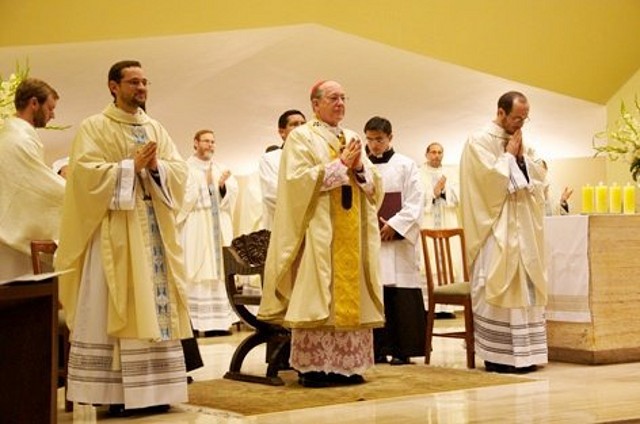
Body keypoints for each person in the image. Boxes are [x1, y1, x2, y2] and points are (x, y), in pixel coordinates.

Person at [54, 60, 193, 415]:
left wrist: (157, 168)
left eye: (145, 81)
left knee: (156, 304)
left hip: (153, 229)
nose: (142, 88)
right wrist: (130, 167)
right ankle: (117, 395)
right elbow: (84, 177)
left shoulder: (155, 127)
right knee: (117, 302)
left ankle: (158, 391)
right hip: (115, 233)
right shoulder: (94, 127)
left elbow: (179, 171)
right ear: (113, 86)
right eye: (134, 82)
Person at [257, 80, 384, 388]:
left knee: (349, 296)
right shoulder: (301, 137)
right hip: (319, 232)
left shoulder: (352, 136)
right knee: (319, 295)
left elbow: (373, 184)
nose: (340, 103)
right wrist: (340, 164)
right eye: (333, 98)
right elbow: (296, 183)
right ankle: (315, 368)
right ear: (315, 104)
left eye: (343, 97)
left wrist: (359, 170)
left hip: (351, 232)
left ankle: (348, 366)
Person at [460, 91, 548, 374]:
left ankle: (526, 354)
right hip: (494, 229)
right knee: (497, 284)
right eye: (516, 118)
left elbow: (538, 175)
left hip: (522, 228)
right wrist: (509, 157)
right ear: (500, 113)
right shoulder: (478, 141)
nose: (521, 124)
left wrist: (522, 160)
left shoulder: (522, 141)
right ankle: (498, 357)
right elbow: (486, 182)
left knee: (524, 286)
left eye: (525, 118)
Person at [364, 116, 425, 365]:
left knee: (400, 292)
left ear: (390, 137)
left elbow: (415, 201)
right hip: (371, 239)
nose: (374, 145)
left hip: (398, 242)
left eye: (379, 139)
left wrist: (395, 225)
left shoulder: (406, 165)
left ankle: (403, 349)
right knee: (374, 291)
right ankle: (376, 349)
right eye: (369, 140)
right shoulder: (361, 166)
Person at [0, 77, 64, 281]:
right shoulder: (17, 139)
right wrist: (75, 192)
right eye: (50, 108)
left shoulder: (13, 135)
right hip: (10, 240)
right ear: (34, 103)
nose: (52, 114)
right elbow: (36, 187)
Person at [177, 129, 236, 334]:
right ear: (195, 143)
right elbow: (180, 197)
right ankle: (193, 323)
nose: (210, 145)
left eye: (213, 141)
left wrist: (221, 187)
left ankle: (217, 325)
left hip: (217, 225)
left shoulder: (220, 168)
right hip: (197, 224)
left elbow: (230, 198)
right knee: (196, 268)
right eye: (206, 141)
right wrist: (205, 186)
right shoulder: (184, 169)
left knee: (218, 270)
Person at [419, 142, 461, 319]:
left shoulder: (451, 173)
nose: (436, 155)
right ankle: (429, 306)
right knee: (427, 264)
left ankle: (447, 307)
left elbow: (459, 195)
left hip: (447, 221)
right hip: (428, 223)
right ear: (427, 154)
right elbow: (416, 196)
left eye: (440, 152)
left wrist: (444, 192)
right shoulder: (418, 173)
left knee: (449, 263)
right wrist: (433, 193)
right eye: (433, 152)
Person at [258, 109, 307, 230]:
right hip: (284, 226)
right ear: (282, 132)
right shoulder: (270, 159)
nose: (300, 128)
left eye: (303, 124)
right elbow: (272, 194)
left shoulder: (315, 157)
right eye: (294, 124)